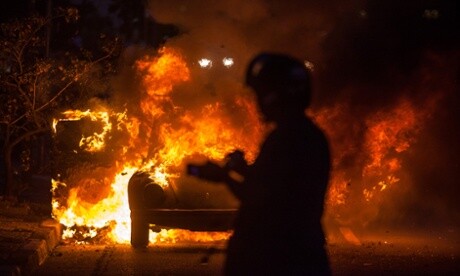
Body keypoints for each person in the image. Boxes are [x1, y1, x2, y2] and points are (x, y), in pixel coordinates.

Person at [187, 53, 331, 275]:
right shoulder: (306, 135)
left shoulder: (288, 139)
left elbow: (262, 197)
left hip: (278, 256)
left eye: (261, 93)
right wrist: (242, 168)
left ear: (276, 94)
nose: (258, 101)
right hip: (296, 251)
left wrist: (224, 177)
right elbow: (275, 182)